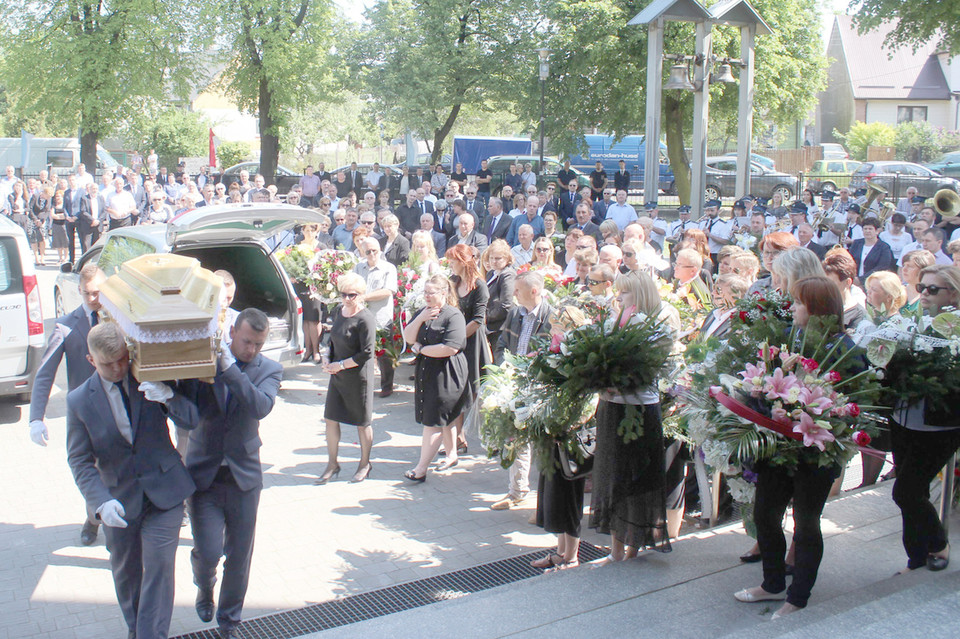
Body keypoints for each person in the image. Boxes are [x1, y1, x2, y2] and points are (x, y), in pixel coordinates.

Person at [66, 322, 197, 639]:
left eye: (122, 360)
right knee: (126, 574)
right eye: (107, 364)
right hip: (118, 499)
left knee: (158, 567)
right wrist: (100, 502)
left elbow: (191, 419)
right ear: (91, 361)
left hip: (164, 492)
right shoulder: (79, 401)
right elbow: (79, 460)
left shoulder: (147, 376)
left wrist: (168, 397)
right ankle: (138, 630)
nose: (117, 368)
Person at [734, 276, 851, 619]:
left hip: (816, 449)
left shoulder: (844, 348)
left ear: (817, 309)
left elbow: (848, 406)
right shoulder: (791, 338)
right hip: (780, 444)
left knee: (806, 521)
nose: (793, 308)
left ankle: (798, 597)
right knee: (765, 513)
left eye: (799, 303)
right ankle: (772, 584)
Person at [179, 308, 283, 639]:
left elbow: (259, 406)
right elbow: (187, 414)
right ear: (233, 331)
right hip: (204, 475)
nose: (252, 349)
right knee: (208, 550)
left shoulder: (269, 369)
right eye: (247, 341)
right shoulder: (206, 361)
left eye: (258, 344)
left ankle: (229, 620)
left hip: (244, 477)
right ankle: (204, 585)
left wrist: (230, 369)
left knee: (239, 555)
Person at [590, 271, 675, 565]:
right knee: (612, 476)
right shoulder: (616, 322)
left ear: (639, 295)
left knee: (636, 478)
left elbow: (650, 370)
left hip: (638, 410)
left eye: (624, 293)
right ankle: (615, 548)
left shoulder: (657, 328)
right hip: (612, 406)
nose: (619, 298)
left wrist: (622, 381)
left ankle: (634, 544)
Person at [29, 265, 107, 546]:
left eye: (97, 292)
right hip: (84, 413)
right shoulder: (65, 326)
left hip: (116, 408)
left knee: (113, 469)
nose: (92, 298)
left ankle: (106, 521)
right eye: (87, 293)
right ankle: (93, 517)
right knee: (89, 468)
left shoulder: (119, 320)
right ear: (79, 291)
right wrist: (36, 417)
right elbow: (46, 373)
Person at [890, 264, 960, 575]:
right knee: (911, 495)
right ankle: (916, 557)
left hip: (939, 426)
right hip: (902, 418)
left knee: (905, 491)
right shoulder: (911, 319)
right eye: (922, 288)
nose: (925, 294)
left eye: (933, 289)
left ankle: (938, 542)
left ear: (954, 295)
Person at [491, 271, 554, 510]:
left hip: (539, 387)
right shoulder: (515, 314)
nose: (514, 294)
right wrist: (503, 366)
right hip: (514, 384)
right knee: (515, 438)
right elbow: (502, 343)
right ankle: (516, 492)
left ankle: (545, 502)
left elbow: (552, 352)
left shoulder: (550, 316)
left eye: (518, 290)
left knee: (544, 444)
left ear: (534, 291)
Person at [402, 275, 469, 482]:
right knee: (444, 417)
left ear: (444, 293)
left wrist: (422, 349)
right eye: (425, 292)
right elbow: (408, 337)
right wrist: (421, 318)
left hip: (448, 372)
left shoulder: (453, 315)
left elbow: (451, 347)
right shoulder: (423, 312)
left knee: (434, 419)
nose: (427, 297)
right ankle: (451, 455)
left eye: (432, 293)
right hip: (428, 371)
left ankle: (421, 469)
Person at [315, 272, 377, 484]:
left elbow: (367, 352)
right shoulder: (338, 311)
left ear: (361, 295)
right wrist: (326, 358)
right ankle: (332, 463)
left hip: (358, 376)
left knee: (362, 422)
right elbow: (332, 340)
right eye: (344, 294)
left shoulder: (366, 318)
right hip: (337, 375)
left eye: (352, 295)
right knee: (331, 418)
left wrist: (340, 365)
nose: (347, 299)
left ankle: (364, 464)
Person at [446, 244, 489, 456]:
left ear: (464, 262)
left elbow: (478, 320)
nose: (450, 265)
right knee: (456, 390)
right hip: (455, 343)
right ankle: (457, 437)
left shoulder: (479, 286)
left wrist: (457, 338)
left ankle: (466, 435)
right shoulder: (453, 282)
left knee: (469, 390)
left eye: (453, 261)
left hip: (471, 343)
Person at [354, 238, 399, 398]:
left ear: (380, 250)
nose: (372, 254)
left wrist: (364, 297)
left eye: (374, 250)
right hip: (361, 317)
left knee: (385, 355)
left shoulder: (389, 268)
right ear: (363, 252)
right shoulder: (358, 267)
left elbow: (388, 291)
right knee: (362, 352)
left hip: (381, 318)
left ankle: (387, 385)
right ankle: (362, 384)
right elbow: (353, 286)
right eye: (368, 251)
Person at [482, 240, 516, 355]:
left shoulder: (508, 274)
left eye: (498, 258)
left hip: (500, 328)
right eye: (491, 258)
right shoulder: (491, 273)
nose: (494, 262)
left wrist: (486, 317)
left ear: (507, 258)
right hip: (489, 326)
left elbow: (506, 305)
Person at [899, 249, 936, 317]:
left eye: (910, 266)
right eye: (904, 265)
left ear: (924, 270)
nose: (904, 269)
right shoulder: (897, 291)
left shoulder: (932, 296)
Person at [49, 191, 70, 263]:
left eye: (59, 196)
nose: (57, 198)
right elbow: (53, 215)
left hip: (64, 225)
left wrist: (60, 216)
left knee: (65, 242)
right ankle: (60, 257)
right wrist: (60, 216)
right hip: (56, 225)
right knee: (58, 242)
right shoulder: (53, 206)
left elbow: (66, 216)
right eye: (56, 196)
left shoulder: (65, 205)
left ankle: (66, 257)